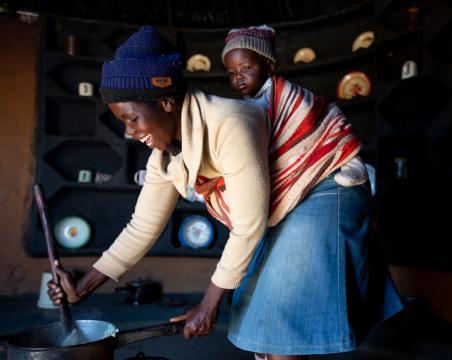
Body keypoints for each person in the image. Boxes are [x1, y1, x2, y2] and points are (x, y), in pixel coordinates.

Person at [48, 25, 403, 360]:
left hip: (326, 183)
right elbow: (142, 226)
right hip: (285, 200)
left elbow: (249, 225)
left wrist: (208, 302)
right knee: (257, 306)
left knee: (276, 307)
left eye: (132, 118)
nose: (129, 131)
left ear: (167, 102)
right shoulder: (168, 156)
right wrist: (86, 284)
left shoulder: (229, 123)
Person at [221, 24, 368, 189]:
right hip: (285, 148)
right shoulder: (244, 103)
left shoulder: (281, 92)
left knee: (332, 122)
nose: (238, 77)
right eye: (232, 73)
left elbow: (302, 111)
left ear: (269, 67)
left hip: (315, 125)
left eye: (246, 68)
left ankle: (353, 163)